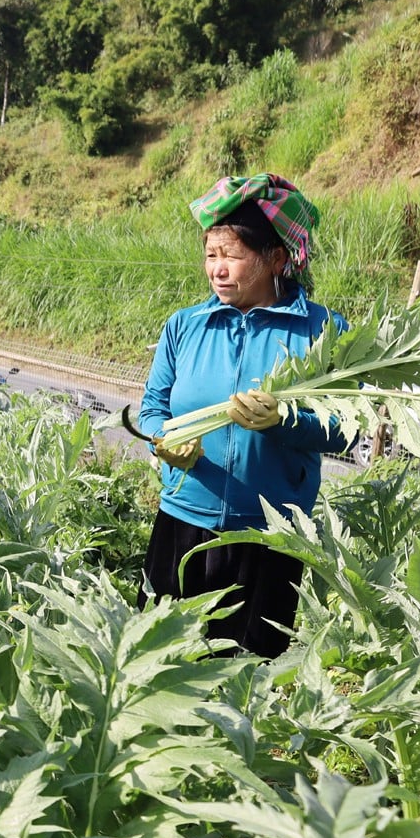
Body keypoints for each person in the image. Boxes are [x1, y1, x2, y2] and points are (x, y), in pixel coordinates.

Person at [136, 174, 351, 658]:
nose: (218, 269)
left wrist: (285, 420)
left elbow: (343, 430)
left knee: (250, 675)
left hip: (269, 533)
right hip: (183, 522)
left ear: (277, 258)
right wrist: (161, 439)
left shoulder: (322, 331)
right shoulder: (184, 326)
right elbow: (152, 410)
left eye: (231, 255)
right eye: (211, 254)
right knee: (163, 664)